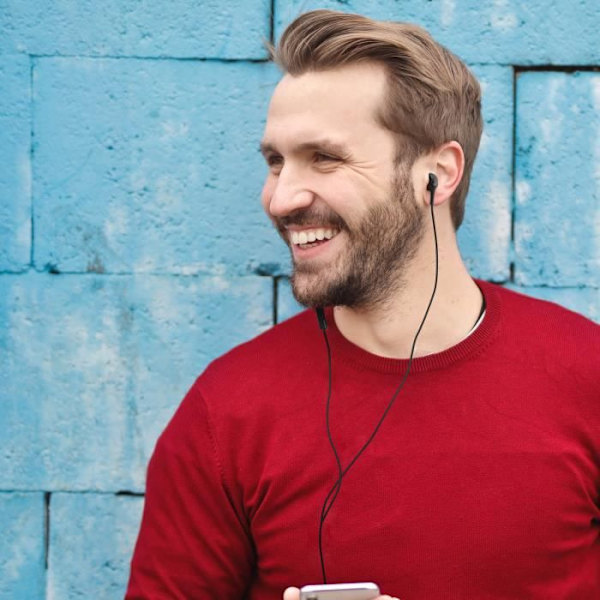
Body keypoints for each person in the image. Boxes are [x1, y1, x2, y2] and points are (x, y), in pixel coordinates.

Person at [125, 10, 599, 600]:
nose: (281, 198)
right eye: (275, 161)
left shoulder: (586, 375)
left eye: (325, 158)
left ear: (437, 173)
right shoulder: (225, 416)